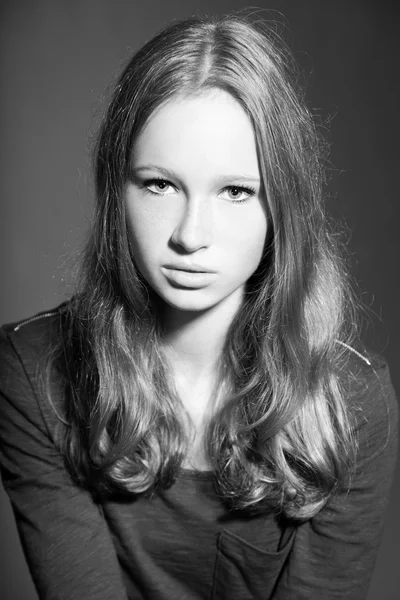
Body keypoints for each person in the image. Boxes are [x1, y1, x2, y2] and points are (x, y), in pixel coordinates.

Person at [0, 13, 397, 600]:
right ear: (117, 190)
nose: (190, 234)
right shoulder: (30, 370)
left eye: (235, 191)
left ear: (281, 207)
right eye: (160, 184)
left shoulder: (352, 405)